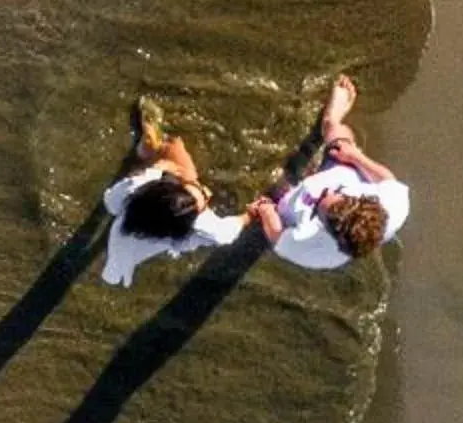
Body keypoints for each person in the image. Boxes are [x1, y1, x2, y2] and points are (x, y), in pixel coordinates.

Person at [248, 75, 410, 269]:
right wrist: (355, 157)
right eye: (335, 193)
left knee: (272, 191)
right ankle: (333, 118)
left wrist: (265, 208)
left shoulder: (313, 250)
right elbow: (388, 180)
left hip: (293, 206)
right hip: (345, 172)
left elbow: (277, 236)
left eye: (320, 207)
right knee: (339, 135)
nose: (325, 192)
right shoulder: (394, 208)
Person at [98, 97, 244, 286]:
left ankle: (150, 146)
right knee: (183, 166)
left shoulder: (136, 189)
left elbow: (110, 201)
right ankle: (151, 148)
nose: (206, 192)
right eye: (203, 195)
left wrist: (160, 169)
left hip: (124, 229)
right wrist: (249, 214)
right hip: (131, 247)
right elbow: (225, 234)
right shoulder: (195, 227)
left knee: (172, 149)